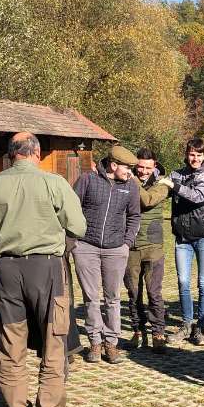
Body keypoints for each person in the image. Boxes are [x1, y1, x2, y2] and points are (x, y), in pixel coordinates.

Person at [0, 132, 86, 407]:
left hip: (7, 270)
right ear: (36, 153)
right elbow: (79, 226)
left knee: (11, 345)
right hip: (47, 268)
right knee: (53, 342)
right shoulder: (54, 182)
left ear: (11, 155)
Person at [71, 145, 141, 364]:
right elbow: (72, 209)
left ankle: (111, 342)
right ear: (113, 165)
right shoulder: (87, 180)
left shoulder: (130, 186)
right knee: (91, 297)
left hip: (115, 249)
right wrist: (75, 241)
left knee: (112, 298)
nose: (130, 172)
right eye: (127, 168)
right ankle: (94, 341)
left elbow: (134, 216)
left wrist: (126, 243)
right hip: (86, 247)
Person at [161, 138, 204, 346]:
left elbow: (196, 196)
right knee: (183, 282)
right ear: (186, 154)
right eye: (191, 154)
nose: (194, 158)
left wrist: (174, 185)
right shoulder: (176, 174)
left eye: (199, 155)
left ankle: (201, 327)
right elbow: (162, 187)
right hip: (182, 237)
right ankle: (187, 323)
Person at [124, 149, 170, 354]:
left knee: (154, 293)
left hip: (153, 247)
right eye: (139, 167)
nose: (142, 171)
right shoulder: (126, 181)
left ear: (155, 167)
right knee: (133, 293)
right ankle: (137, 330)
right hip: (131, 246)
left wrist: (132, 180)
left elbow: (148, 200)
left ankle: (158, 333)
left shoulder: (162, 185)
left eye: (147, 167)